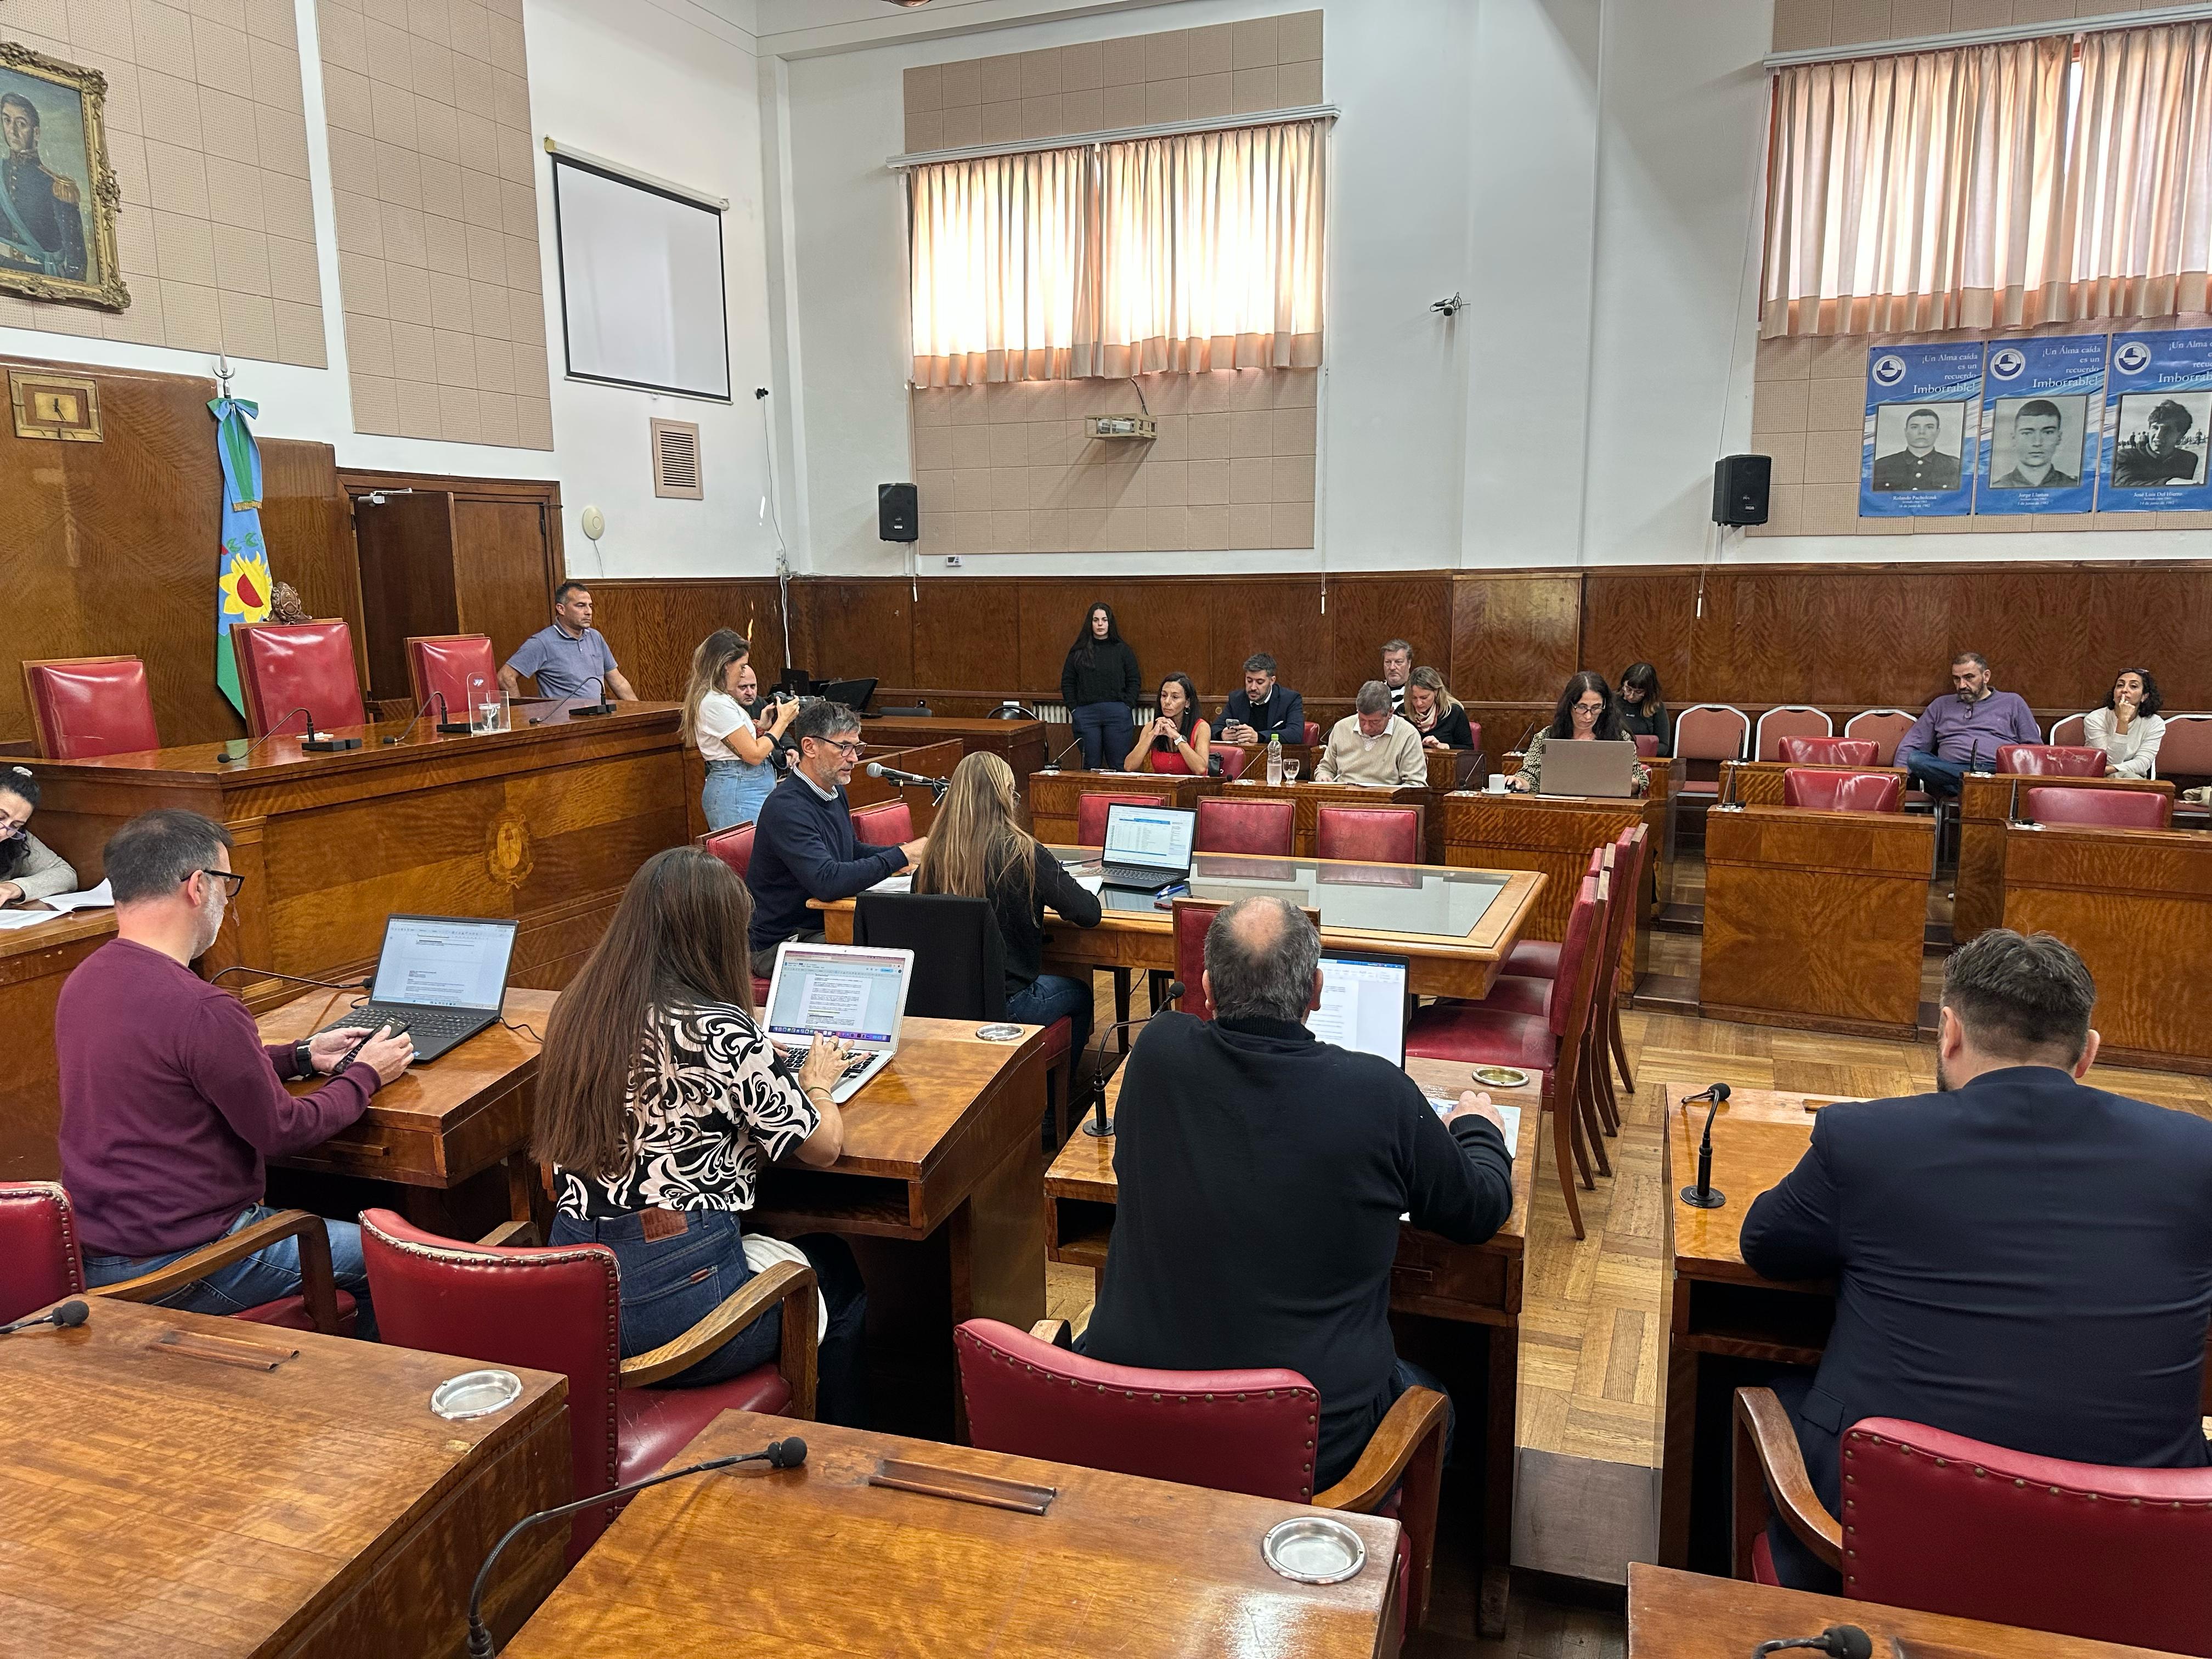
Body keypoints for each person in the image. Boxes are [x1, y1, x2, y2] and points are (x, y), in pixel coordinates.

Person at [1741, 929, 2212, 1593]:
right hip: (2132, 1563)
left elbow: (1764, 1245)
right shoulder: (2196, 1155)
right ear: (2088, 1053)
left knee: (1753, 1376)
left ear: (1950, 1032)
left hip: (1899, 1545)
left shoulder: (1868, 1140)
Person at [1079, 895, 1514, 1488]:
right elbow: (1480, 1210)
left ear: (1205, 987)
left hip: (1135, 1421)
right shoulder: (1378, 1092)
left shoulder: (1156, 1054)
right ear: (1316, 990)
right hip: (1314, 1453)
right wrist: (1479, 1129)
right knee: (1439, 1399)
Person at [534, 847, 869, 1423]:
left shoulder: (577, 1013)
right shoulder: (721, 1030)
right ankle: (836, 1453)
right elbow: (823, 1147)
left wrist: (752, 1047)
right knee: (835, 1269)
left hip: (581, 1308)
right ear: (713, 937)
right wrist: (816, 1082)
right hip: (678, 1321)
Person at [55, 809, 414, 1333]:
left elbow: (177, 1072)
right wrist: (367, 1074)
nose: (228, 900)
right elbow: (283, 1131)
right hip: (186, 1261)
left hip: (99, 1253)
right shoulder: (203, 1008)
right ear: (199, 886)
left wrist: (301, 1056)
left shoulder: (85, 981)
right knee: (393, 1259)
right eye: (227, 883)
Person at [912, 753, 1101, 1059]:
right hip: (1009, 1005)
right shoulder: (1022, 852)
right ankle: (1057, 1090)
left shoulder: (932, 859)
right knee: (1080, 994)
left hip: (945, 1004)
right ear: (1005, 797)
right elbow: (1088, 913)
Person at [746, 701, 926, 978]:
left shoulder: (833, 790)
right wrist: (900, 856)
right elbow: (828, 882)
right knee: (897, 950)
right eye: (844, 747)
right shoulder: (787, 808)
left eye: (856, 748)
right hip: (783, 943)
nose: (853, 758)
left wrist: (902, 854)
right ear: (810, 747)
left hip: (826, 924)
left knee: (919, 933)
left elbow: (849, 850)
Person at [683, 629, 796, 830]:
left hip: (747, 790)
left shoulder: (722, 699)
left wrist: (761, 727)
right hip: (739, 794)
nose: (743, 673)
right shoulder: (715, 703)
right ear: (726, 666)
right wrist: (783, 721)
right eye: (742, 666)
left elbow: (738, 744)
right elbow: (754, 755)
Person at [1894, 652, 2040, 799]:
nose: (1962, 685)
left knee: (2000, 776)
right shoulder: (1941, 705)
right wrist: (1899, 780)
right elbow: (1913, 744)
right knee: (1915, 759)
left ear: (1986, 676)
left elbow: (2034, 749)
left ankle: (1972, 784)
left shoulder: (2013, 702)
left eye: (1969, 677)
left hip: (1995, 771)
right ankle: (1973, 784)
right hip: (1949, 770)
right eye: (1957, 679)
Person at [499, 581, 638, 704]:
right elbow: (505, 677)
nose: (589, 612)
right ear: (561, 609)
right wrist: (518, 714)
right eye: (581, 606)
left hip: (598, 719)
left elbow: (618, 682)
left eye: (590, 606)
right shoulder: (542, 642)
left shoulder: (595, 637)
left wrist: (641, 711)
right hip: (563, 722)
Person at [0, 91, 88, 283]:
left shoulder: (58, 187)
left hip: (40, 277)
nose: (12, 131)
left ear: (36, 133)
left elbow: (77, 264)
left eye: (21, 124)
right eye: (7, 121)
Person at [1511, 672, 1650, 795]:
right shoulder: (1546, 736)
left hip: (1606, 810)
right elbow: (1530, 775)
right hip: (1557, 809)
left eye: (1596, 708)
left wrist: (1623, 783)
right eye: (1582, 707)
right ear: (1569, 705)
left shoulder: (1619, 737)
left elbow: (1640, 779)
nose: (1589, 716)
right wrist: (1520, 782)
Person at [1060, 602, 1142, 770]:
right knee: (1090, 765)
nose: (1100, 624)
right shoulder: (1078, 651)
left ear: (1110, 623)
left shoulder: (1123, 650)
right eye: (1096, 620)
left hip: (1118, 713)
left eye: (1104, 620)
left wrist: (1127, 706)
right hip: (1086, 714)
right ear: (1090, 623)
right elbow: (1068, 682)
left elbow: (1134, 680)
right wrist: (1075, 710)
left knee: (1119, 765)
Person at [1314, 681, 1426, 787]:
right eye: (1362, 720)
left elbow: (1415, 785)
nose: (1367, 727)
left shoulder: (1408, 734)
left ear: (1390, 713)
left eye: (1375, 722)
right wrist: (1324, 777)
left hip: (1385, 799)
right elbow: (1325, 768)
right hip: (1345, 796)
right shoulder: (1342, 728)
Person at [0, 766, 78, 906]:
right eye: (0, 817)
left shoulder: (17, 840)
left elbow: (66, 875)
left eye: (15, 825)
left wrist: (13, 888)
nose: (3, 832)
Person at [2081, 668, 2165, 780]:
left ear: (2144, 696)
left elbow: (2142, 763)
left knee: (2129, 778)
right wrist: (2123, 721)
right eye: (2120, 685)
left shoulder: (2155, 723)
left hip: (2132, 777)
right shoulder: (2095, 718)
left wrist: (2111, 769)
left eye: (2133, 686)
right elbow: (2110, 760)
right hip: (2099, 778)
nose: (2124, 690)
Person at [1125, 672, 1211, 774]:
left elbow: (1200, 769)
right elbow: (1129, 766)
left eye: (1175, 697)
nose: (1167, 702)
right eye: (1164, 695)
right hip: (1162, 784)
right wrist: (1152, 735)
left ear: (1187, 703)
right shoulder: (1151, 727)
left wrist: (1177, 737)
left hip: (1191, 784)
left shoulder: (1201, 728)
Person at [1216, 653, 1305, 745]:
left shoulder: (1290, 699)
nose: (1253, 687)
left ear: (1272, 681)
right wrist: (1222, 735)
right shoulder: (1236, 699)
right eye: (1249, 681)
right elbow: (1215, 728)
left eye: (1260, 682)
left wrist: (1259, 737)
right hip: (1244, 752)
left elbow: (1295, 734)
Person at [1990, 399, 2078, 490]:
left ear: (2059, 438)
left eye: (2048, 433)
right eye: (2027, 433)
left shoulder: (2074, 487)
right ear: (2014, 439)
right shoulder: (1997, 487)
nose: (2037, 443)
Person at [2114, 399, 2203, 488]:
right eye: (2155, 428)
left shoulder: (2188, 459)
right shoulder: (2126, 457)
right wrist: (2168, 483)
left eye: (2167, 430)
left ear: (2180, 435)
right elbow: (2124, 485)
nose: (2158, 436)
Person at [1871, 407, 1961, 491]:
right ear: (1906, 432)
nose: (1921, 432)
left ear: (1938, 432)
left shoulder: (1955, 466)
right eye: (1915, 427)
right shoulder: (1881, 466)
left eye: (1929, 427)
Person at [1403, 667, 1473, 751]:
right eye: (1414, 698)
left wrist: (1442, 746)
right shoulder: (1403, 712)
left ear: (1436, 692)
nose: (1419, 703)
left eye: (1424, 698)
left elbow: (1469, 749)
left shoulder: (1454, 712)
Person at [1617, 663, 1670, 757]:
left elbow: (1664, 747)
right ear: (1623, 684)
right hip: (1614, 756)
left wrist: (1637, 750)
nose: (1631, 696)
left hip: (1643, 759)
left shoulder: (1656, 707)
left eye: (1638, 692)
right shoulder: (1612, 702)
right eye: (1628, 689)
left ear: (1648, 691)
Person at [1379, 639, 1413, 714]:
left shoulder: (1417, 694)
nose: (1392, 667)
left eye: (1398, 662)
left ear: (1409, 663)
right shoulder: (1374, 692)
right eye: (1388, 662)